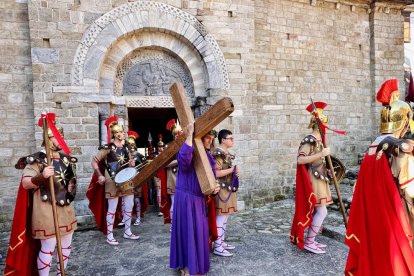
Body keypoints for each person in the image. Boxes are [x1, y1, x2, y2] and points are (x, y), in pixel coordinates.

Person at [345, 79, 414, 275]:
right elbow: (410, 190)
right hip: (395, 217)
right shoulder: (399, 149)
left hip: (372, 216)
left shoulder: (372, 146)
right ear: (404, 120)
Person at [5, 113, 77, 275]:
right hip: (45, 210)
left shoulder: (65, 159)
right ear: (49, 139)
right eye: (58, 137)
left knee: (66, 245)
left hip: (65, 209)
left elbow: (71, 182)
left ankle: (61, 273)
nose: (62, 140)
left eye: (62, 137)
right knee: (48, 248)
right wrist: (42, 176)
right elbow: (26, 183)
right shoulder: (37, 160)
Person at [170, 124, 220, 276]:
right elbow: (184, 162)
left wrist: (214, 187)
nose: (210, 141)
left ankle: (195, 264)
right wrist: (190, 135)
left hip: (199, 199)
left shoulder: (208, 156)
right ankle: (186, 265)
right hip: (185, 197)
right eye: (207, 138)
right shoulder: (187, 148)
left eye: (212, 139)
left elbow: (211, 176)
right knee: (187, 231)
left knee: (199, 232)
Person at [87, 116, 139, 246]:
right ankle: (109, 235)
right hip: (112, 180)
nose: (122, 134)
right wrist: (99, 175)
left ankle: (127, 231)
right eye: (120, 132)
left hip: (126, 179)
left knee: (129, 205)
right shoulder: (107, 148)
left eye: (123, 132)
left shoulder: (127, 147)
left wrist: (132, 163)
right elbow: (94, 161)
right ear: (115, 134)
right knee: (112, 208)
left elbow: (130, 164)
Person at [290, 101, 334, 254]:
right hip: (313, 179)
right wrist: (321, 154)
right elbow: (300, 159)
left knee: (319, 211)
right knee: (322, 212)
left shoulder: (319, 140)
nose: (326, 127)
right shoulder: (309, 140)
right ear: (318, 124)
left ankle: (312, 240)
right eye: (324, 123)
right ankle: (309, 241)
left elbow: (318, 161)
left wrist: (327, 169)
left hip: (320, 178)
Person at [213, 129, 239, 257]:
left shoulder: (226, 153)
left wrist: (233, 172)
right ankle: (217, 246)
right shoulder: (218, 153)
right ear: (223, 140)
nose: (232, 140)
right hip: (221, 189)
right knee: (221, 217)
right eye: (230, 138)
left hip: (228, 188)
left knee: (225, 217)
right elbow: (216, 173)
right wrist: (232, 170)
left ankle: (221, 242)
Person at [125, 130, 148, 226]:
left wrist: (139, 172)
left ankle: (138, 217)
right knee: (126, 199)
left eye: (132, 146)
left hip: (137, 179)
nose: (131, 148)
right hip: (127, 180)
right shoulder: (125, 155)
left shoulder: (139, 155)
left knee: (137, 199)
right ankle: (126, 218)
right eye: (129, 146)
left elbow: (145, 166)